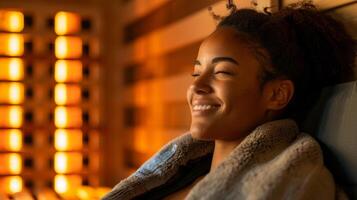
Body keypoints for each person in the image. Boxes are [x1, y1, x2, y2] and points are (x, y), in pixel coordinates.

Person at [103, 2, 355, 200]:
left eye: (222, 72)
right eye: (196, 72)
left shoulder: (295, 181)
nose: (196, 86)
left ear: (277, 95)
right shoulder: (176, 177)